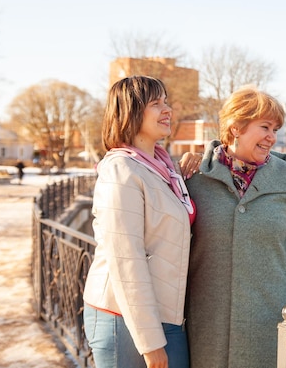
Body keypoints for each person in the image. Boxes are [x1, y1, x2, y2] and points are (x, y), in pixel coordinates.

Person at [185, 87, 286, 368]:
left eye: (275, 129)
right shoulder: (195, 179)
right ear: (236, 127)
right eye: (265, 127)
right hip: (206, 324)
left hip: (270, 321)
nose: (272, 137)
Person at [83, 75, 196, 368]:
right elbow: (126, 258)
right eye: (156, 104)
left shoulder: (162, 167)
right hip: (123, 317)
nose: (167, 109)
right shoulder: (121, 170)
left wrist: (188, 171)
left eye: (166, 102)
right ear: (130, 112)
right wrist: (149, 343)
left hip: (165, 311)